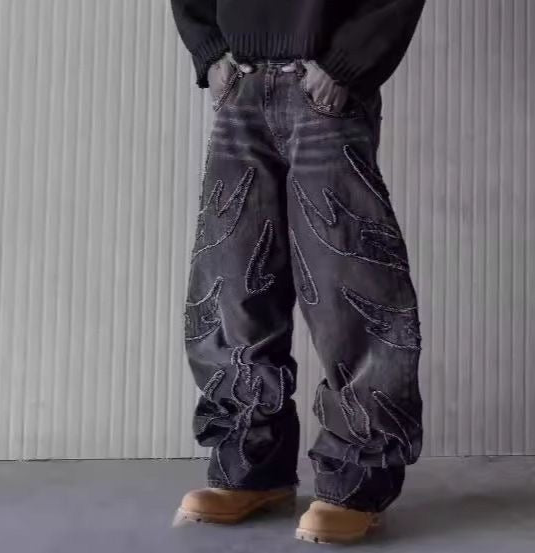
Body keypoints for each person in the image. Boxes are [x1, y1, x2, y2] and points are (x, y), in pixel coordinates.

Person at [170, 0, 426, 544]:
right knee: (231, 280)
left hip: (327, 86)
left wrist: (347, 64)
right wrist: (210, 52)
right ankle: (251, 467)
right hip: (240, 84)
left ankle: (359, 479)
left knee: (347, 287)